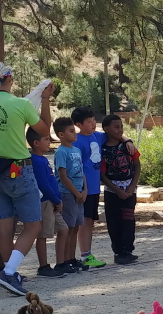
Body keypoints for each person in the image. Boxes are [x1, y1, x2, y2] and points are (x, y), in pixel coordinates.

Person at [0, 62, 55, 295]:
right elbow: (44, 130)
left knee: (4, 225)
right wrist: (45, 99)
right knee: (33, 225)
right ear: (9, 80)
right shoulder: (20, 104)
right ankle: (9, 273)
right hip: (18, 169)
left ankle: (7, 271)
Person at [27, 127, 71, 278]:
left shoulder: (43, 159)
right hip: (45, 201)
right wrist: (55, 199)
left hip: (53, 201)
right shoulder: (36, 160)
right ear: (36, 143)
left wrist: (57, 199)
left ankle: (61, 263)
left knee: (63, 229)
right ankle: (43, 266)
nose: (49, 142)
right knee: (43, 235)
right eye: (46, 139)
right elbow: (43, 184)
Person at [100, 115, 141, 265]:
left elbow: (137, 165)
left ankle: (127, 250)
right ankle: (118, 252)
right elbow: (102, 175)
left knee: (128, 220)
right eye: (116, 127)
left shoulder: (128, 146)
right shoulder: (103, 150)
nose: (120, 130)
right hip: (112, 192)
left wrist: (132, 186)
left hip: (129, 191)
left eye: (121, 127)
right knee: (114, 221)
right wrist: (117, 190)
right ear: (106, 129)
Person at [70, 106, 107, 268]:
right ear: (78, 124)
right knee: (82, 222)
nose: (93, 124)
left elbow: (116, 134)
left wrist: (128, 141)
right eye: (88, 121)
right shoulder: (76, 141)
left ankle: (87, 253)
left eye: (93, 120)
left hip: (94, 188)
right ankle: (83, 255)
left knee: (89, 221)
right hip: (83, 189)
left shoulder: (97, 136)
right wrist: (82, 189)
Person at [53, 117, 89, 273]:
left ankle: (71, 258)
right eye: (71, 131)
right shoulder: (61, 152)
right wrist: (76, 192)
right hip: (68, 193)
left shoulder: (76, 150)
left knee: (75, 227)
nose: (75, 134)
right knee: (67, 228)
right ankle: (63, 261)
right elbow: (63, 176)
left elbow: (81, 172)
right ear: (61, 134)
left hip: (79, 193)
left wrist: (84, 190)